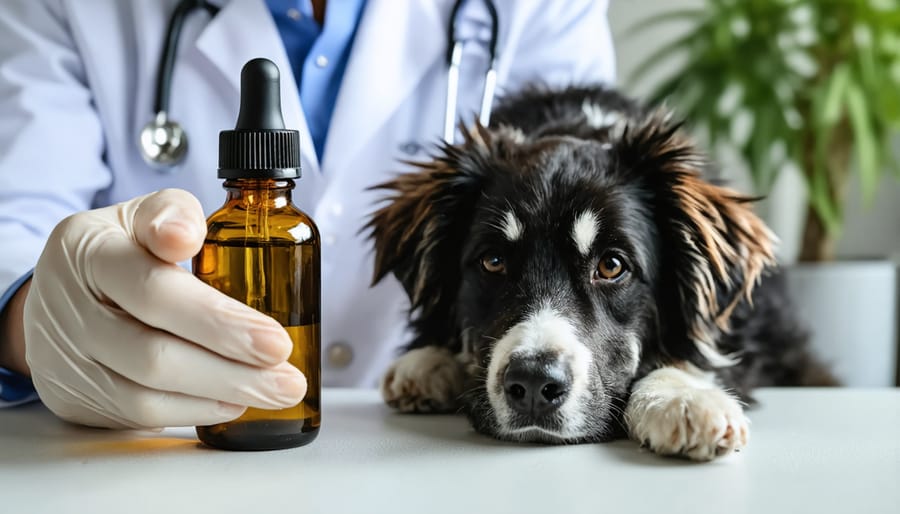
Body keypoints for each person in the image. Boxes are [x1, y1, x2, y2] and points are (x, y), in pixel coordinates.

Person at [0, 0, 616, 429]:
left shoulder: (538, 8)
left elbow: (579, 193)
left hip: (431, 441)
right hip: (157, 444)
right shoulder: (62, 7)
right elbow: (14, 219)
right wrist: (37, 318)